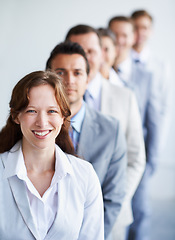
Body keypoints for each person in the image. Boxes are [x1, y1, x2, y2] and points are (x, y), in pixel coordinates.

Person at [0, 70, 104, 240]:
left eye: (52, 111)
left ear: (63, 116)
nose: (42, 122)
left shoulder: (85, 175)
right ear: (15, 116)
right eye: (31, 111)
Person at [65, 24, 145, 240]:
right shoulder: (53, 98)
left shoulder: (125, 97)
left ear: (102, 54)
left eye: (90, 51)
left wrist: (114, 201)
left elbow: (136, 158)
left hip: (114, 216)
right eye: (78, 49)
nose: (84, 56)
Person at [46, 40, 127, 239]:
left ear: (88, 78)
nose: (69, 80)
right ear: (47, 77)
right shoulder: (34, 127)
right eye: (60, 72)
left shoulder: (111, 130)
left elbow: (113, 198)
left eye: (77, 73)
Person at [108, 15, 164, 240]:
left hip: (136, 156)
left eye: (125, 35)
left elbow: (154, 120)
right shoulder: (99, 71)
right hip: (110, 159)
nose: (120, 41)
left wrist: (152, 161)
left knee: (140, 212)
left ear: (133, 38)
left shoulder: (145, 75)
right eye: (115, 35)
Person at [131, 9, 172, 144]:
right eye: (136, 27)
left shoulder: (162, 65)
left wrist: (158, 141)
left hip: (149, 135)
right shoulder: (120, 62)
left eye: (145, 28)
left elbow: (164, 106)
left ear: (151, 31)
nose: (140, 32)